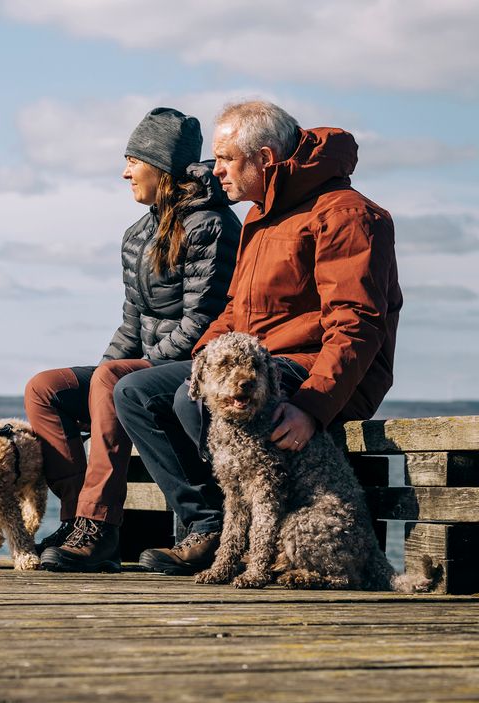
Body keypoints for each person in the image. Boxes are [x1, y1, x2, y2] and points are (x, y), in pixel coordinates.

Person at [114, 99, 403, 576]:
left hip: (315, 371)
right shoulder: (261, 214)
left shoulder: (347, 214)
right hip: (255, 365)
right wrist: (203, 361)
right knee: (136, 393)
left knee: (192, 403)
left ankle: (248, 536)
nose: (214, 169)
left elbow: (356, 324)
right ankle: (209, 525)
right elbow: (234, 310)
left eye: (226, 158)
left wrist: (312, 407)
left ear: (264, 158)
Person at [24, 107, 241, 573]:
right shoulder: (138, 234)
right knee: (45, 388)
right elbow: (131, 324)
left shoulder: (212, 225)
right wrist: (102, 378)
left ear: (161, 166)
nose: (125, 172)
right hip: (137, 370)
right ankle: (77, 519)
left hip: (190, 366)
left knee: (112, 380)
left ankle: (99, 527)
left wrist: (120, 375)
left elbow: (202, 323)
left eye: (133, 161)